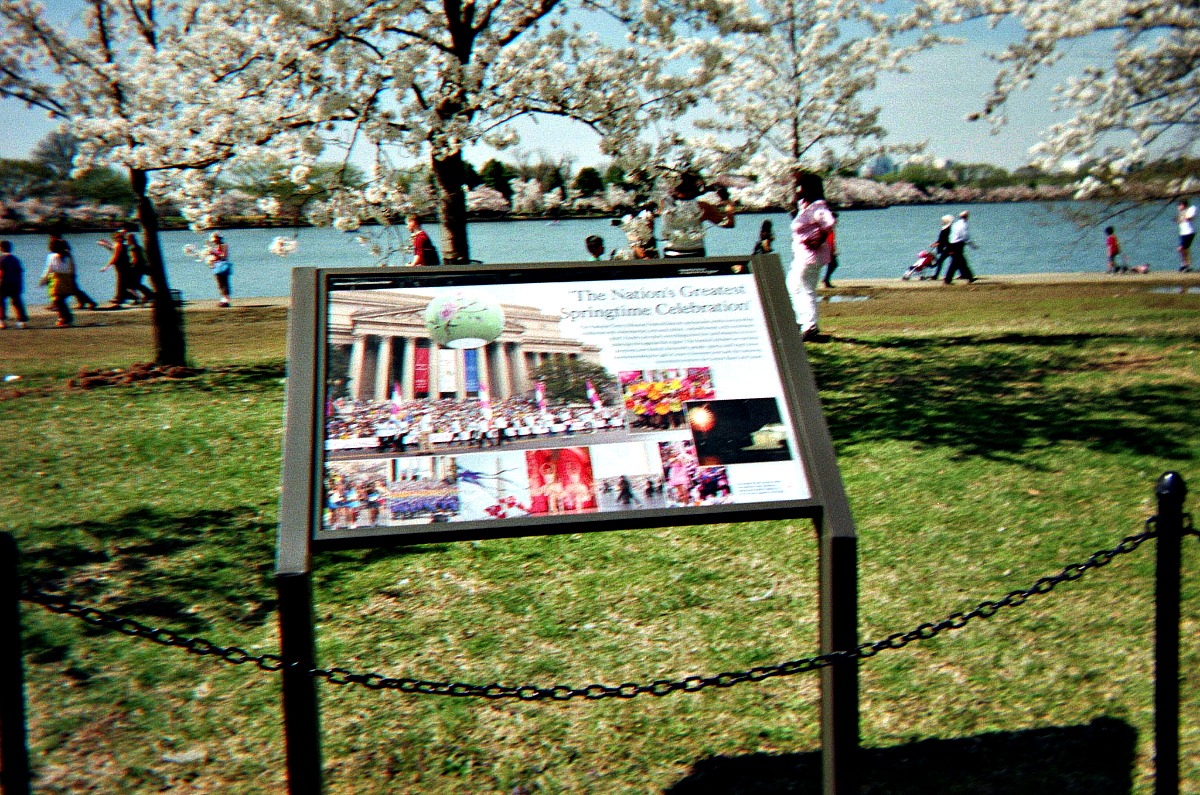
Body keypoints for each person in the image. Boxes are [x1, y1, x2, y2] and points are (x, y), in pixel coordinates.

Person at [787, 172, 836, 342]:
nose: (797, 189)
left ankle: (810, 327)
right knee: (793, 286)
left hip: (810, 256)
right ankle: (802, 322)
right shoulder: (805, 206)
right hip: (801, 254)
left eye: (800, 186)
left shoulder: (818, 207)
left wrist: (819, 239)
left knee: (807, 288)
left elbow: (830, 223)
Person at [659, 171, 735, 257]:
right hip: (696, 253)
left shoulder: (664, 204)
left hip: (671, 253)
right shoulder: (702, 206)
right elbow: (729, 223)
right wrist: (729, 207)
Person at [49, 232, 97, 310]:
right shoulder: (59, 248)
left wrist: (72, 274)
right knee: (73, 290)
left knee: (72, 290)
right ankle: (84, 302)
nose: (51, 239)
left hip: (67, 274)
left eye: (52, 237)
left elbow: (69, 263)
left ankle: (90, 302)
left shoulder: (62, 248)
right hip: (65, 274)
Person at [41, 237, 76, 327]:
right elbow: (72, 268)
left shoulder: (54, 257)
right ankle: (65, 318)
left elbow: (49, 269)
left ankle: (64, 318)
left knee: (57, 300)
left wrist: (44, 279)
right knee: (60, 300)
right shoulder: (68, 256)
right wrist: (72, 279)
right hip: (64, 279)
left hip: (58, 279)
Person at [943, 210, 976, 284]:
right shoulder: (964, 224)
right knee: (956, 263)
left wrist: (950, 246)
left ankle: (969, 277)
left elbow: (951, 236)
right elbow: (965, 236)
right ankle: (947, 280)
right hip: (958, 245)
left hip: (953, 244)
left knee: (959, 262)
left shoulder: (955, 224)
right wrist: (972, 245)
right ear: (966, 217)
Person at [0, 241, 28, 329]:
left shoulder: (1, 259)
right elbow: (20, 273)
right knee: (17, 303)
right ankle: (22, 322)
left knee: (1, 303)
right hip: (15, 284)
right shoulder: (16, 260)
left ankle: (2, 322)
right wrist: (20, 285)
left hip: (3, 283)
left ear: (1, 249)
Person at [124, 229, 155, 302]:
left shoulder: (132, 248)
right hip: (142, 267)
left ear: (130, 240)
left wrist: (131, 267)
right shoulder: (139, 247)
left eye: (127, 240)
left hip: (136, 268)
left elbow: (134, 259)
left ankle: (146, 296)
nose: (126, 241)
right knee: (136, 284)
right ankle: (146, 296)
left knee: (131, 285)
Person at [206, 232, 233, 306]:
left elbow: (223, 256)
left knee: (224, 283)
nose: (213, 241)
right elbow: (217, 256)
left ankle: (226, 300)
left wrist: (213, 253)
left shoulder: (223, 245)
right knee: (220, 284)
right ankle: (223, 299)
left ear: (218, 238)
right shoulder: (217, 246)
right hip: (217, 266)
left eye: (214, 239)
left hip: (222, 267)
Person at [929, 215, 953, 280]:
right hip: (948, 247)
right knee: (956, 261)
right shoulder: (948, 229)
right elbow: (941, 240)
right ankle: (963, 274)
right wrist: (935, 244)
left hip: (948, 248)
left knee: (940, 261)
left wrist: (937, 244)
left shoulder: (945, 230)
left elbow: (944, 240)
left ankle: (936, 276)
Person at [1177, 199, 1195, 272]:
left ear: (1184, 205)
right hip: (1182, 233)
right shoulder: (1181, 213)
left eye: (1179, 205)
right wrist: (1178, 220)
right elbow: (1180, 221)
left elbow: (1189, 218)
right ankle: (1185, 265)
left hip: (1189, 232)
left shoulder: (1190, 210)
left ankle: (1185, 265)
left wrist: (1183, 216)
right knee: (1184, 250)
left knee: (1181, 249)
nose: (1178, 207)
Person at [823, 214, 839, 288]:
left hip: (829, 249)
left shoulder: (831, 228)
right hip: (827, 249)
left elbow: (832, 241)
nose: (836, 220)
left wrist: (834, 249)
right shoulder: (828, 228)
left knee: (832, 264)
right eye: (835, 218)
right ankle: (826, 280)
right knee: (833, 264)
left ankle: (826, 280)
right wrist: (831, 250)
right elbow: (828, 240)